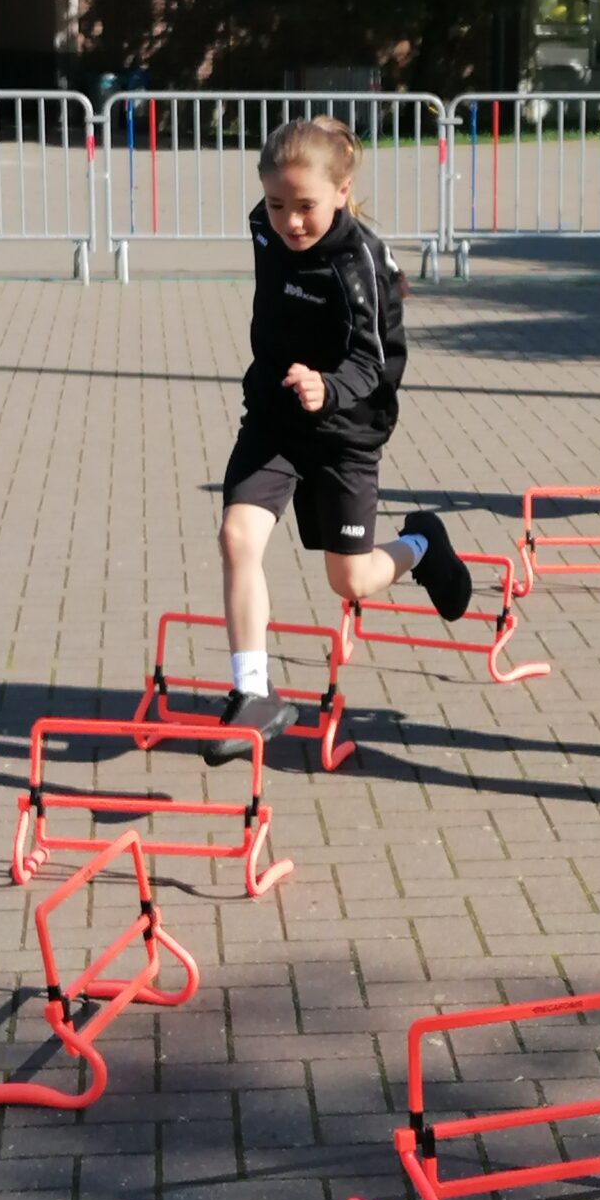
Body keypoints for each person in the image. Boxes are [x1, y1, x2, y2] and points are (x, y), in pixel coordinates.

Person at [205, 116, 471, 762]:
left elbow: (375, 361)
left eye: (306, 206)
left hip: (345, 429)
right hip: (275, 416)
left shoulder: (360, 263)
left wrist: (328, 387)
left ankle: (422, 543)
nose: (290, 222)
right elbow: (285, 198)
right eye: (276, 204)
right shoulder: (264, 227)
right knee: (237, 537)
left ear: (342, 192)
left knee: (349, 580)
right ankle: (252, 692)